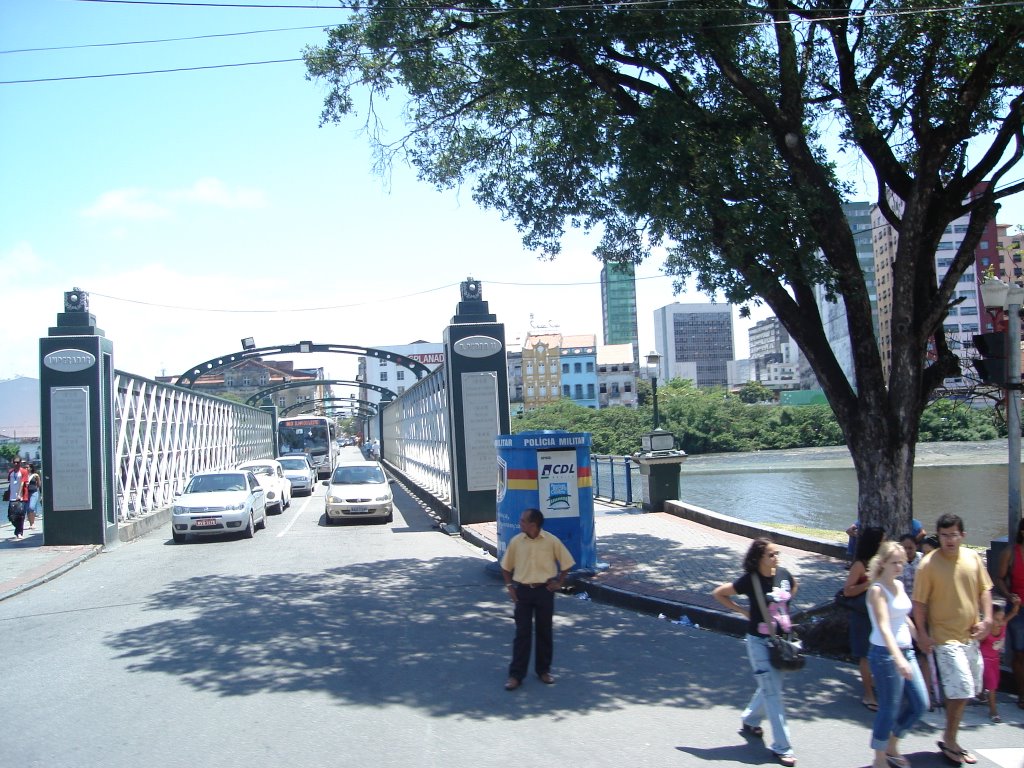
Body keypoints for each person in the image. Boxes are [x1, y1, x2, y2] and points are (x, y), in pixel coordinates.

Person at [912, 513, 993, 767]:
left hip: (970, 636)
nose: (949, 540)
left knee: (969, 690)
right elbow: (919, 604)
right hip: (944, 639)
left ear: (962, 536)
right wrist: (923, 634)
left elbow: (985, 591)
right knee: (962, 686)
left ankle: (950, 737)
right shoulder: (928, 564)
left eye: (953, 535)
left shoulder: (973, 558)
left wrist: (987, 620)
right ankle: (950, 740)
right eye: (944, 535)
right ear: (939, 536)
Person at [712, 538, 799, 767]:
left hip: (780, 642)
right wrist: (742, 611)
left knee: (771, 686)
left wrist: (783, 615)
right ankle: (783, 747)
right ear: (759, 558)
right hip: (758, 643)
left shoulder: (784, 575)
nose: (776, 557)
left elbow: (794, 586)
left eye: (777, 553)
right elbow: (720, 593)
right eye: (770, 554)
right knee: (773, 693)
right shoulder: (750, 581)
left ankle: (750, 719)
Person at [865, 541, 928, 768]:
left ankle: (892, 744)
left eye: (902, 562)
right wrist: (898, 657)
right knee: (889, 709)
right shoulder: (876, 590)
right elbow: (883, 626)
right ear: (882, 563)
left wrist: (919, 635)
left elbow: (902, 617)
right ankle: (879, 757)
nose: (899, 567)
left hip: (906, 650)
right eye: (895, 563)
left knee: (920, 703)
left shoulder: (899, 586)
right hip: (884, 654)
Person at [500, 508, 575, 691]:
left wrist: (559, 582)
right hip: (523, 592)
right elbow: (505, 567)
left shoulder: (551, 541)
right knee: (522, 634)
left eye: (523, 521)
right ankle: (516, 675)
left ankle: (544, 670)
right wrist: (510, 587)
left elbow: (567, 562)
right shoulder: (517, 542)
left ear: (533, 525)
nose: (520, 523)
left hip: (544, 591)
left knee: (544, 632)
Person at [843, 525, 885, 711]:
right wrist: (869, 583)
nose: (885, 544)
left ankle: (878, 686)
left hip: (880, 614)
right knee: (866, 655)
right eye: (882, 541)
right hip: (863, 615)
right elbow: (848, 590)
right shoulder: (860, 564)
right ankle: (868, 694)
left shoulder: (883, 563)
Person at [898, 533, 932, 706]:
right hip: (904, 615)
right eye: (905, 548)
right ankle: (904, 689)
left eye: (911, 547)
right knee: (907, 652)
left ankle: (925, 689)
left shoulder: (922, 561)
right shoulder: (897, 565)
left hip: (921, 613)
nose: (908, 551)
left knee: (924, 653)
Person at [994, 517, 1024, 710]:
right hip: (1017, 610)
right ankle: (1022, 694)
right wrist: (1008, 595)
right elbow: (998, 578)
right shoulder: (1010, 553)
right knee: (1020, 654)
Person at [980, 598, 1020, 723]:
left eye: (1002, 618)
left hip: (996, 660)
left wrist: (1016, 604)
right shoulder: (985, 631)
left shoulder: (1002, 624)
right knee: (992, 685)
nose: (1000, 622)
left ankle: (981, 693)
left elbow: (1013, 612)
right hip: (985, 660)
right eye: (996, 619)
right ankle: (993, 711)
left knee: (991, 682)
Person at [6, 457, 28, 540]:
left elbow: (22, 483)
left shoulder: (23, 471)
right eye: (14, 462)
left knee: (20, 515)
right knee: (11, 516)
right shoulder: (10, 472)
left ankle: (19, 532)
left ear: (20, 463)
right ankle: (17, 529)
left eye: (18, 462)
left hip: (21, 497)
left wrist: (19, 494)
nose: (16, 464)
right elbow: (10, 483)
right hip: (12, 497)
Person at [25, 462, 40, 529]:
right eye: (25, 467)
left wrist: (37, 489)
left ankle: (33, 522)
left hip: (34, 492)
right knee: (28, 508)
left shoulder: (35, 475)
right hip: (26, 493)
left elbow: (39, 484)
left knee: (31, 507)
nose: (26, 468)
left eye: (27, 467)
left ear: (31, 468)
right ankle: (31, 524)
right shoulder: (25, 475)